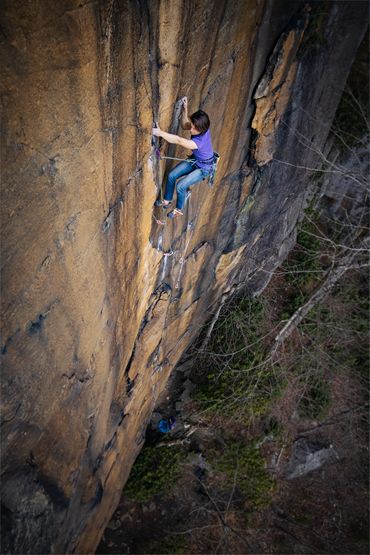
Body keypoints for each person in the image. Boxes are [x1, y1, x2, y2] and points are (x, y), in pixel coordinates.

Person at [152, 97, 214, 219]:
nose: (191, 129)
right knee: (171, 175)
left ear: (201, 129)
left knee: (181, 185)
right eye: (193, 125)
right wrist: (185, 110)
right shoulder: (201, 128)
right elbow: (185, 125)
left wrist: (160, 133)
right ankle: (166, 200)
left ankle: (178, 209)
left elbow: (178, 140)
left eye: (194, 128)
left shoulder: (197, 143)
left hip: (204, 168)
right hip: (196, 160)